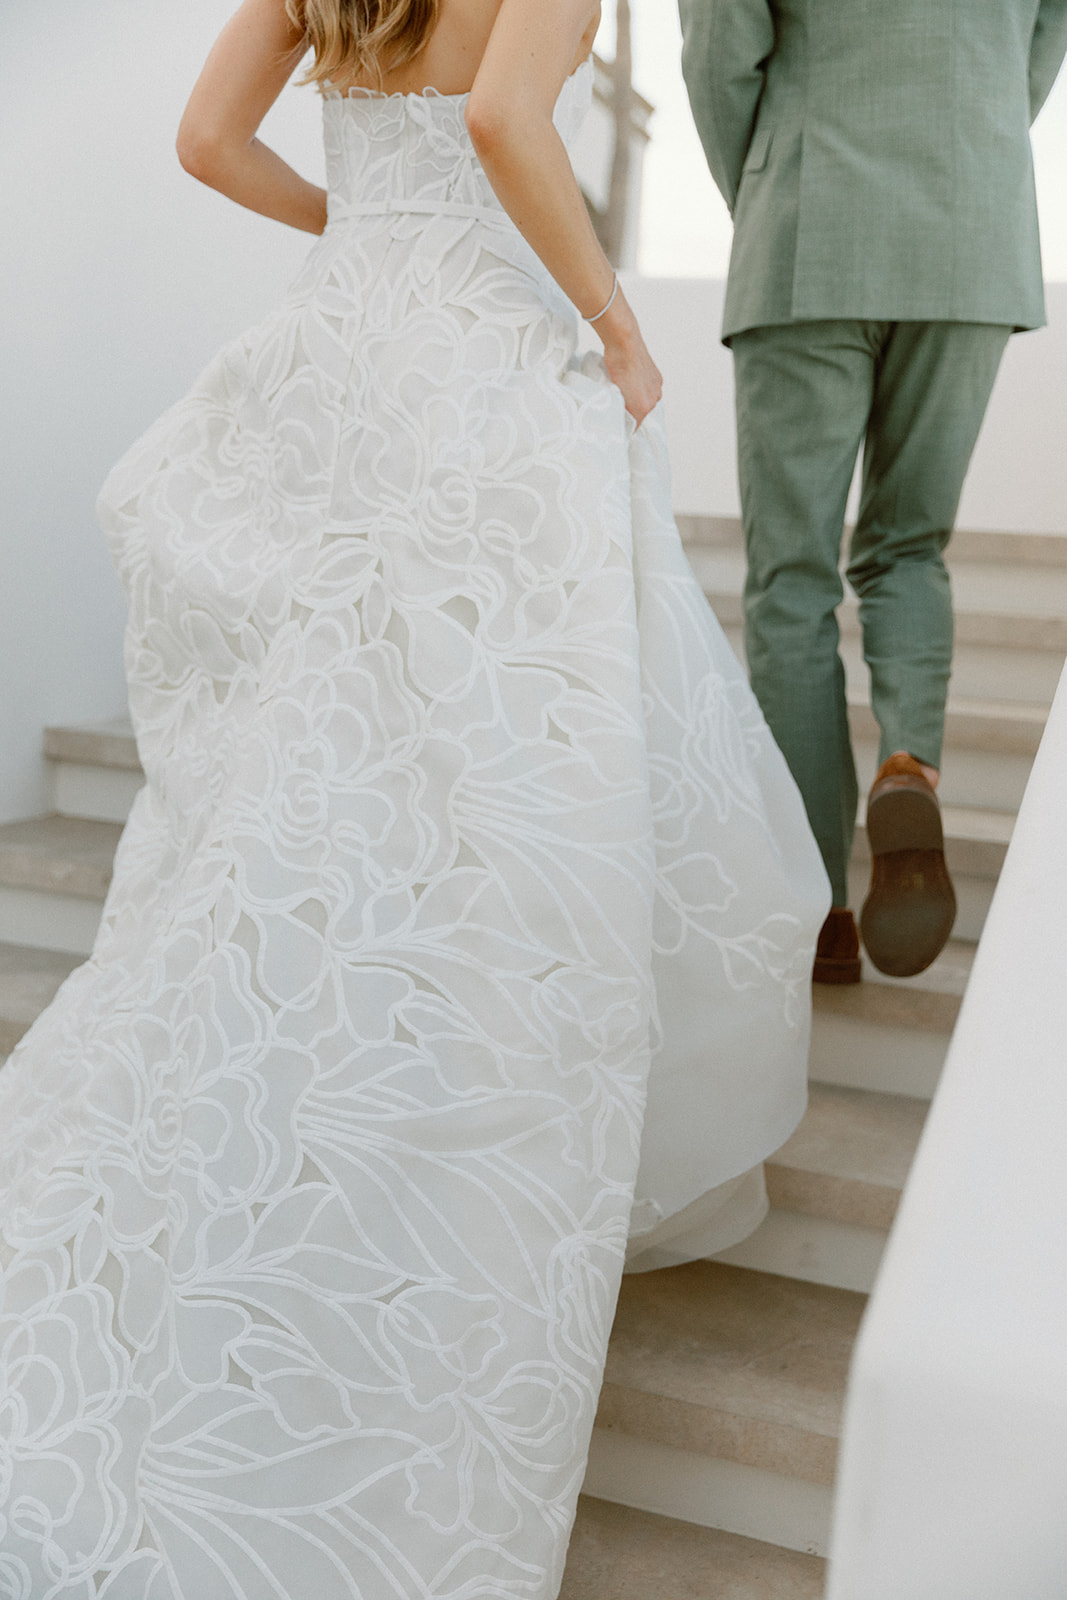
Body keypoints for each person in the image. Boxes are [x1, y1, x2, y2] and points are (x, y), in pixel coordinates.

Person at [0, 1, 828, 1593]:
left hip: (342, 351)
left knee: (312, 784)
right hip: (477, 364)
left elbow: (205, 142)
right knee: (489, 779)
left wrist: (355, 222)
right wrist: (614, 322)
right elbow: (508, 124)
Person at [679, 0, 1067, 983]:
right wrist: (969, 134)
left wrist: (767, 187)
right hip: (971, 228)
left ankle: (819, 907)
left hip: (807, 221)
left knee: (792, 582)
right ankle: (907, 761)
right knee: (907, 545)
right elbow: (1042, 35)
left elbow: (720, 56)